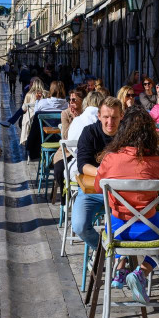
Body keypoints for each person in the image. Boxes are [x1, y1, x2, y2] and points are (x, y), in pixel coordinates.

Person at [95, 107, 159, 302]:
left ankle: (120, 267)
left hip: (117, 230)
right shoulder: (158, 162)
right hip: (150, 230)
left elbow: (98, 188)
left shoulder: (110, 159)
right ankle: (142, 271)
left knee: (111, 220)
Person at [71, 97, 123, 249]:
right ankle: (105, 253)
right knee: (79, 226)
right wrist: (104, 172)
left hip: (121, 193)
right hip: (92, 191)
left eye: (114, 117)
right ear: (99, 116)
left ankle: (121, 256)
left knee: (131, 225)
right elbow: (83, 165)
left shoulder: (127, 134)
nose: (110, 122)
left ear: (121, 116)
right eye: (106, 117)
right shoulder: (90, 132)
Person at [52, 87, 87, 198]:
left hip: (83, 150)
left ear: (82, 101)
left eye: (74, 100)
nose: (71, 103)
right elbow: (65, 136)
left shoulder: (87, 114)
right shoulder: (66, 113)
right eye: (70, 100)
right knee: (58, 170)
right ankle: (64, 199)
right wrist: (75, 119)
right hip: (67, 151)